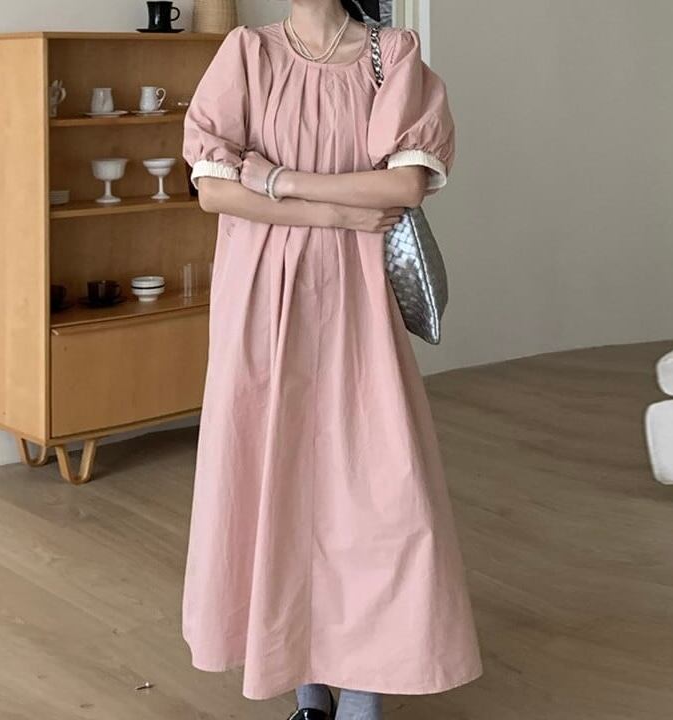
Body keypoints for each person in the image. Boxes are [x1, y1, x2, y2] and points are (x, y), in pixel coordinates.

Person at [181, 1, 483, 718]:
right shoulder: (246, 53)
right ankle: (307, 689)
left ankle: (366, 689)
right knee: (274, 474)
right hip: (260, 298)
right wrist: (334, 209)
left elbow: (403, 186)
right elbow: (212, 190)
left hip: (356, 296)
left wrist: (273, 178)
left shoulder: (391, 52)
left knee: (376, 485)